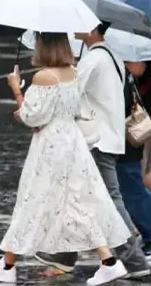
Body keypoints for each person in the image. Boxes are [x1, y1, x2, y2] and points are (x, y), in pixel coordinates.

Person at [0, 32, 130, 285]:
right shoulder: (72, 71)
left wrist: (16, 89)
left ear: (43, 46)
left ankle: (7, 266)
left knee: (31, 200)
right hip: (72, 142)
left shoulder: (44, 76)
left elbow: (31, 116)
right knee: (77, 204)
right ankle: (108, 262)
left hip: (50, 147)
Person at [35, 23, 150, 279]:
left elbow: (69, 92)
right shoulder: (110, 56)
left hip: (96, 141)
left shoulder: (95, 58)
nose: (73, 29)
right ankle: (66, 255)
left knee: (107, 200)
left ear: (92, 28)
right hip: (107, 138)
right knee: (80, 197)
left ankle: (134, 259)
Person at [117, 61, 151, 260]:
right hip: (127, 133)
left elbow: (138, 69)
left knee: (132, 187)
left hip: (128, 134)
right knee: (129, 187)